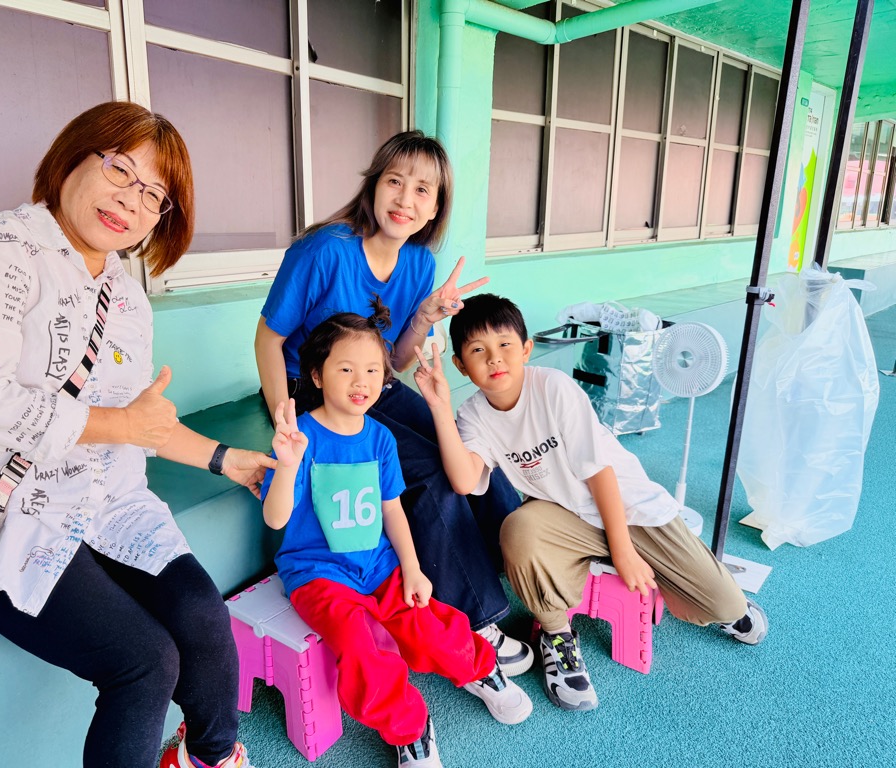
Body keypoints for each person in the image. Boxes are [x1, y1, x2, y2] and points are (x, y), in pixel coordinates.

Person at [0, 101, 272, 768]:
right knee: (145, 662)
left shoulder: (126, 299)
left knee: (202, 615)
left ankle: (210, 757)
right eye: (120, 169)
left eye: (154, 194)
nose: (131, 200)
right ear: (72, 157)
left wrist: (226, 460)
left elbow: (138, 422)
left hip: (103, 503)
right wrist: (122, 424)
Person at [254, 130, 532, 674]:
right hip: (314, 388)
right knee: (427, 471)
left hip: (373, 384)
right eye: (395, 182)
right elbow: (268, 338)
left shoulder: (419, 264)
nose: (405, 199)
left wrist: (425, 315)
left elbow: (395, 361)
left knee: (461, 447)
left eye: (423, 190)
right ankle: (475, 616)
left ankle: (513, 562)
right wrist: (286, 414)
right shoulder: (324, 251)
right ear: (374, 185)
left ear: (436, 206)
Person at [412, 293, 768, 712]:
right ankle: (557, 635)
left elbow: (600, 474)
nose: (494, 359)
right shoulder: (473, 414)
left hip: (630, 509)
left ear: (526, 349)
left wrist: (623, 552)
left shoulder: (553, 388)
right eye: (478, 350)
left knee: (724, 603)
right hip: (565, 518)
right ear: (460, 365)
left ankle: (712, 590)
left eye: (505, 344)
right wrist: (439, 407)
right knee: (518, 529)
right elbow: (464, 479)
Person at [261, 302, 531, 768]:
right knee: (363, 649)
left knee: (430, 624)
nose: (361, 381)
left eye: (372, 370)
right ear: (318, 376)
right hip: (319, 575)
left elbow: (392, 510)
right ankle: (411, 728)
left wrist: (412, 567)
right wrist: (286, 465)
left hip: (380, 565)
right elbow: (275, 519)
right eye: (346, 369)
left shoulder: (381, 438)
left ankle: (482, 670)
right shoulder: (300, 438)